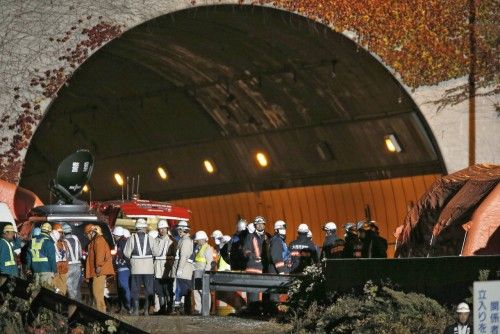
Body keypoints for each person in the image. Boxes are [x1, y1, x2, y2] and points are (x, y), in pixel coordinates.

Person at [123, 218, 160, 316]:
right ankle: (146, 310)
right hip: (148, 268)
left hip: (136, 268)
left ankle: (135, 310)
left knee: (135, 290)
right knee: (149, 290)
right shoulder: (151, 239)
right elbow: (157, 252)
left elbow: (126, 254)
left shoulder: (131, 238)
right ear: (145, 228)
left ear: (136, 227)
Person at [84, 224, 115, 313]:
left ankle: (101, 313)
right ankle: (100, 311)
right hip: (96, 271)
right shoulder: (95, 240)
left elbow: (100, 254)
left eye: (87, 234)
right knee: (97, 293)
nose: (87, 236)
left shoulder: (98, 240)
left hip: (99, 271)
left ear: (90, 232)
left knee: (97, 293)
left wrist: (98, 266)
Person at [243, 216, 270, 311]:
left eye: (262, 223)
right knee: (253, 293)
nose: (260, 225)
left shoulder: (268, 237)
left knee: (263, 293)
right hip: (253, 268)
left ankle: (261, 311)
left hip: (264, 269)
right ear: (255, 225)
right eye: (258, 224)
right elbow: (246, 251)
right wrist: (253, 256)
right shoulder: (250, 237)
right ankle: (252, 311)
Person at [170, 220, 194, 314]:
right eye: (179, 229)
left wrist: (180, 269)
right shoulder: (183, 240)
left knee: (181, 290)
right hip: (183, 269)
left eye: (180, 229)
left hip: (184, 270)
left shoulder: (186, 241)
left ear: (185, 230)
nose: (179, 231)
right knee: (181, 290)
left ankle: (180, 308)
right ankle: (180, 308)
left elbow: (183, 256)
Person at [154, 220, 177, 315]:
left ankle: (170, 308)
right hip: (157, 268)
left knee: (168, 289)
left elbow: (175, 255)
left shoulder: (173, 241)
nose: (162, 230)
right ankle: (162, 308)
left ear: (167, 229)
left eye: (164, 228)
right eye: (160, 229)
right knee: (159, 290)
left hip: (167, 268)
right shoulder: (155, 240)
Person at [26, 222, 57, 288]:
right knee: (46, 292)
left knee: (36, 291)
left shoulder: (32, 241)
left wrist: (28, 268)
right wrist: (54, 270)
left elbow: (28, 257)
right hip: (47, 270)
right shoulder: (49, 242)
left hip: (35, 270)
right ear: (49, 232)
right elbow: (52, 258)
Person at [268, 220, 290, 305]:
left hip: (277, 270)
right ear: (276, 230)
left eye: (284, 228)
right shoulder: (277, 240)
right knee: (275, 293)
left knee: (277, 293)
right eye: (281, 228)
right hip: (276, 271)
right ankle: (273, 311)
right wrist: (281, 271)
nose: (284, 230)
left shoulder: (280, 240)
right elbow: (276, 256)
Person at [193, 230, 213, 315]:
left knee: (204, 291)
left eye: (199, 240)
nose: (197, 241)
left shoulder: (208, 248)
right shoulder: (198, 247)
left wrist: (206, 273)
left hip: (203, 271)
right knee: (196, 290)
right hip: (197, 270)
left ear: (203, 239)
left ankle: (206, 309)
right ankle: (198, 309)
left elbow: (209, 262)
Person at [112, 226, 131, 314]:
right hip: (122, 268)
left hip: (124, 268)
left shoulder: (122, 243)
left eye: (114, 235)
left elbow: (125, 256)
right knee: (121, 289)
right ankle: (124, 307)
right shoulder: (120, 242)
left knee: (124, 288)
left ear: (116, 235)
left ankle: (128, 306)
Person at [62, 223, 82, 301]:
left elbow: (64, 255)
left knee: (70, 289)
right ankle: (79, 305)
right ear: (71, 231)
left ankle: (72, 306)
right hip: (77, 266)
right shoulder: (77, 240)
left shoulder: (63, 241)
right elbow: (80, 252)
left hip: (69, 266)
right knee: (76, 287)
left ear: (63, 232)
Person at [52, 224, 69, 295]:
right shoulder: (64, 242)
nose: (61, 234)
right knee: (62, 284)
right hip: (64, 264)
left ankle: (57, 297)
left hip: (57, 264)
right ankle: (62, 296)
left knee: (55, 284)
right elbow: (67, 254)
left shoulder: (53, 242)